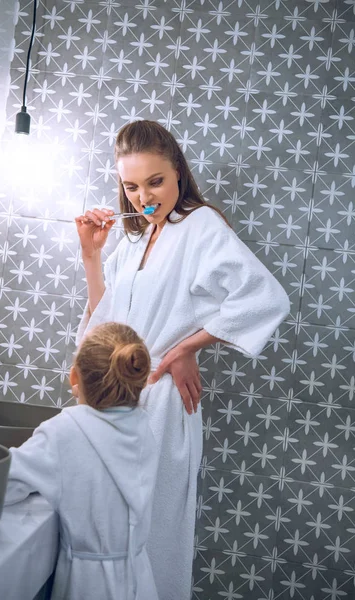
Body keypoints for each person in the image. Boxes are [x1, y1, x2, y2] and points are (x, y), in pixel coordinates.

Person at [75, 120, 290, 600]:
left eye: (156, 181)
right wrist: (92, 258)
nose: (143, 196)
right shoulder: (132, 240)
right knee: (105, 531)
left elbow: (264, 297)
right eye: (130, 186)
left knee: (153, 533)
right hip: (115, 401)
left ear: (178, 174)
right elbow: (106, 323)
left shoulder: (200, 226)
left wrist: (184, 348)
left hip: (163, 409)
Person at [4, 322, 159, 600]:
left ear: (74, 377)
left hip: (90, 586)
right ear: (140, 379)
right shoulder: (144, 428)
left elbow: (5, 484)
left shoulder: (64, 431)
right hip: (139, 578)